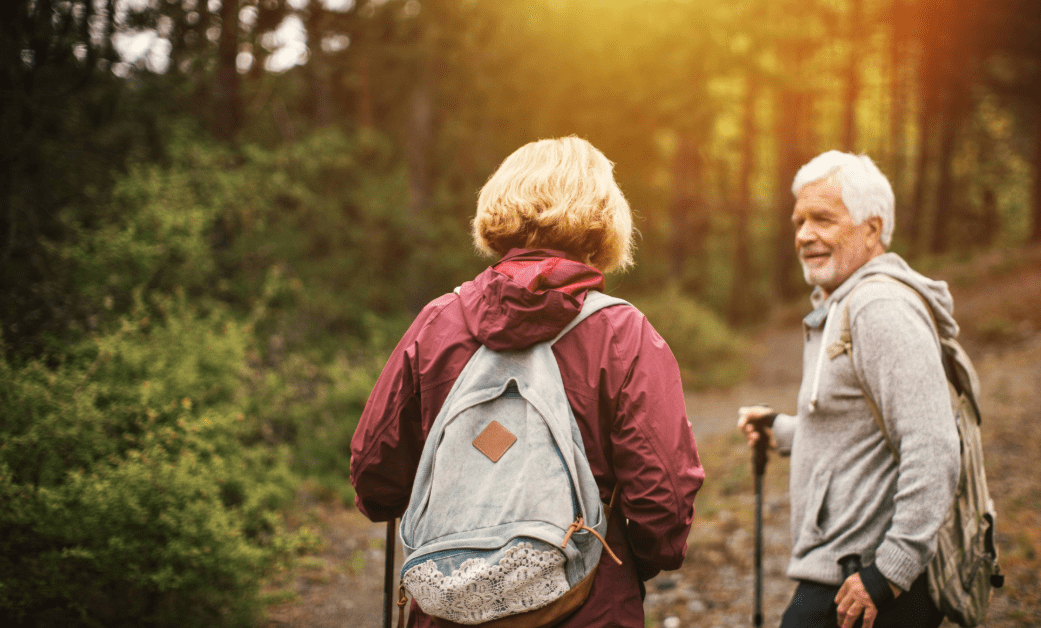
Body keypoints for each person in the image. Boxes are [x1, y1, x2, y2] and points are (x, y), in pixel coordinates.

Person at [350, 136, 704, 628]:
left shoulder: (437, 323)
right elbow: (661, 503)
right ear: (605, 218)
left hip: (448, 608)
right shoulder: (622, 333)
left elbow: (375, 479)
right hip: (587, 608)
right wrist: (624, 560)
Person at [738, 151, 960, 628]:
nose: (803, 235)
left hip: (867, 584)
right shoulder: (843, 303)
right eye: (798, 221)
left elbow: (934, 443)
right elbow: (861, 433)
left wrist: (889, 573)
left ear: (872, 229)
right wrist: (781, 430)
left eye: (822, 219)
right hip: (846, 573)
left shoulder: (878, 306)